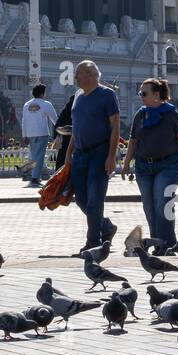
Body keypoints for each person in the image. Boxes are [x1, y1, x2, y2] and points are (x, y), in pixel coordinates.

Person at [123, 78, 178, 252]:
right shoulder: (140, 115)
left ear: (156, 95)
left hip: (168, 165)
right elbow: (133, 141)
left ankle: (167, 244)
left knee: (162, 203)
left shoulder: (171, 114)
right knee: (149, 207)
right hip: (143, 167)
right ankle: (157, 243)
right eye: (140, 93)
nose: (141, 96)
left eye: (144, 93)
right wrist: (126, 163)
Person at [67, 61, 120, 251]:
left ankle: (93, 242)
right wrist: (68, 154)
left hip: (99, 153)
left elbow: (115, 126)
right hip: (80, 154)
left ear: (90, 74)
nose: (75, 76)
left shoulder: (107, 95)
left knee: (95, 199)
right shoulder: (78, 96)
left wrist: (111, 156)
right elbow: (76, 128)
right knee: (81, 199)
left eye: (78, 73)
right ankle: (106, 227)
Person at [22, 84, 59, 187]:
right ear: (42, 94)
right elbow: (55, 119)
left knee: (34, 156)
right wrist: (60, 129)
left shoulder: (27, 105)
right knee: (39, 156)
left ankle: (32, 175)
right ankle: (35, 178)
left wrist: (24, 135)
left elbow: (24, 121)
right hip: (42, 133)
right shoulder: (46, 104)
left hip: (30, 134)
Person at [54, 93, 75, 170]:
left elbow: (58, 123)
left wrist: (57, 134)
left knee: (63, 155)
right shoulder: (79, 109)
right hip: (76, 137)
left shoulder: (66, 110)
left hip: (66, 137)